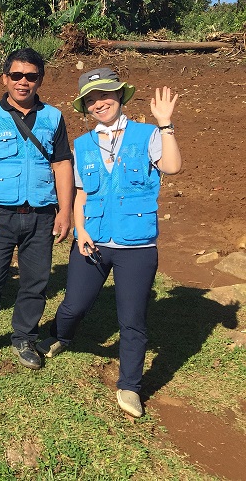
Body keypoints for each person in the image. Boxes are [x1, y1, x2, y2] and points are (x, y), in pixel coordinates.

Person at [37, 68, 181, 418]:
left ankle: (129, 385)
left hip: (137, 246)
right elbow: (82, 193)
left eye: (105, 95)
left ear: (120, 96)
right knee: (74, 304)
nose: (99, 102)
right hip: (94, 240)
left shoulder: (148, 135)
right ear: (85, 107)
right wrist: (79, 229)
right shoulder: (83, 144)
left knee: (132, 319)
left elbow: (173, 167)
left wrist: (165, 124)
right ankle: (62, 335)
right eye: (91, 99)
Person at [0, 47, 74, 370]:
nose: (23, 82)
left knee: (36, 281)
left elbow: (62, 164)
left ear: (40, 80)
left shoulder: (53, 117)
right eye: (16, 75)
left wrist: (65, 211)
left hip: (41, 214)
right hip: (0, 213)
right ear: (5, 78)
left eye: (31, 76)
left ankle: (24, 337)